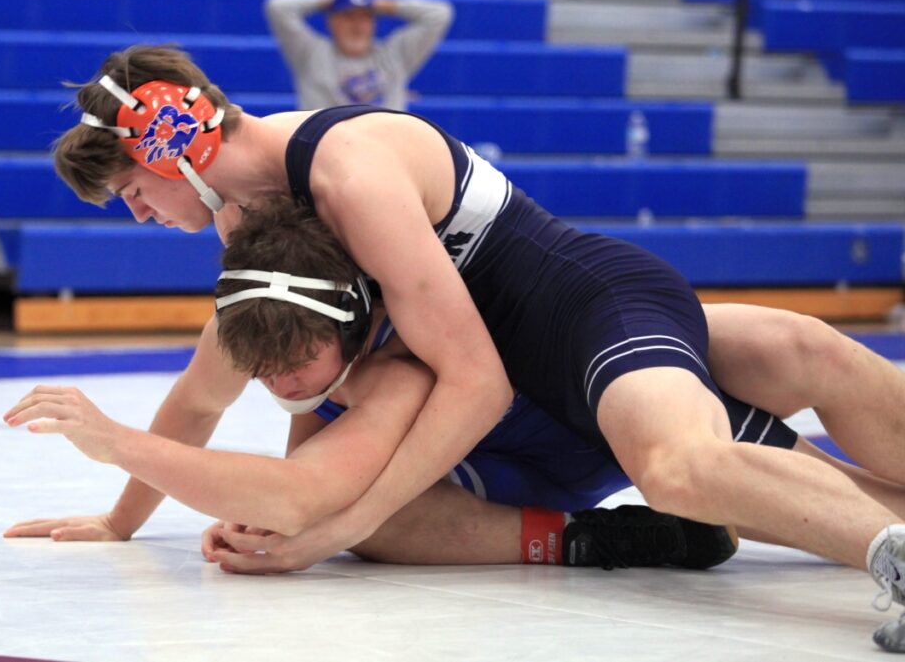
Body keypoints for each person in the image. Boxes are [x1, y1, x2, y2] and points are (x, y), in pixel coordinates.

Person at [49, 45, 905, 649]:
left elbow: (476, 381)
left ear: (173, 141)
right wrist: (124, 520)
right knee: (734, 423)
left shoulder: (347, 172)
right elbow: (214, 389)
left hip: (581, 316)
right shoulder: (246, 219)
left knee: (688, 458)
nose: (139, 214)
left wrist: (344, 521)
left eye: (132, 190)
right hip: (544, 379)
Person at [5, 194, 743, 572]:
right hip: (512, 441)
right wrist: (121, 521)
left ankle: (590, 538)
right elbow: (196, 405)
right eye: (261, 368)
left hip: (570, 443)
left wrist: (118, 442)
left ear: (352, 325)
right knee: (337, 514)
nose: (279, 380)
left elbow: (300, 493)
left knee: (360, 518)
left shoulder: (399, 363)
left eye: (297, 362)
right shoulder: (262, 319)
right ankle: (595, 535)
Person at [264, 0, 453, 109]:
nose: (357, 25)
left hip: (383, 150)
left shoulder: (395, 54)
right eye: (348, 17)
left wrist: (383, 4)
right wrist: (329, 1)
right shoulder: (311, 53)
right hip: (325, 150)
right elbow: (278, 7)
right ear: (331, 21)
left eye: (365, 17)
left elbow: (439, 14)